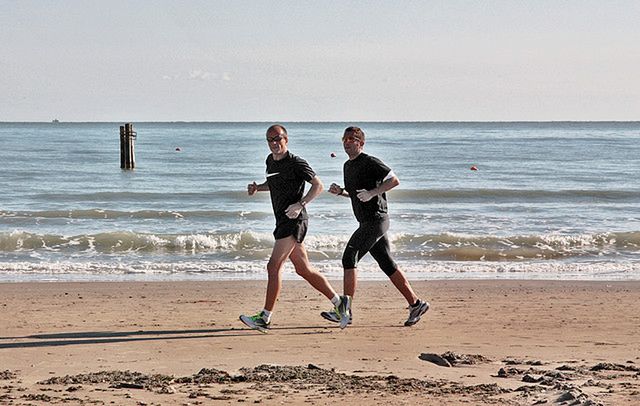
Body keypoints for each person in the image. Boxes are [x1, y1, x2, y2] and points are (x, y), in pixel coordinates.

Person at [240, 124, 351, 331]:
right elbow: (274, 183)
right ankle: (339, 303)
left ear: (286, 139)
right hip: (282, 220)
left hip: (294, 220)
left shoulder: (296, 162)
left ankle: (264, 317)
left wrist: (300, 204)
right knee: (303, 269)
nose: (274, 143)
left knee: (273, 267)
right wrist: (258, 188)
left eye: (278, 138)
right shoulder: (270, 161)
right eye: (270, 139)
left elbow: (318, 185)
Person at [322, 126, 429, 327]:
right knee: (387, 264)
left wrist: (373, 193)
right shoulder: (347, 166)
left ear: (361, 143)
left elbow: (394, 180)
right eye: (344, 139)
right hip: (366, 222)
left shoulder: (370, 162)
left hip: (376, 220)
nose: (347, 142)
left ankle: (344, 311)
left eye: (352, 139)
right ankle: (416, 304)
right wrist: (341, 192)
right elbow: (356, 195)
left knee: (349, 257)